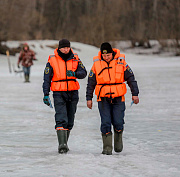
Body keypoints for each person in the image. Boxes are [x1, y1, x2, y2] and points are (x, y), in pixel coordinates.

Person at [86, 42, 139, 155]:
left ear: (112, 53)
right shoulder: (96, 64)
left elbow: (131, 78)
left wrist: (135, 93)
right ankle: (107, 148)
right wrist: (88, 98)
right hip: (103, 99)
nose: (106, 57)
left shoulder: (121, 62)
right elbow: (91, 82)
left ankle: (118, 142)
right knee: (105, 122)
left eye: (108, 55)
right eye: (104, 56)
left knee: (118, 122)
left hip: (118, 98)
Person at [42, 39, 87, 153]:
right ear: (59, 48)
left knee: (70, 120)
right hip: (58, 92)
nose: (66, 50)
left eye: (67, 48)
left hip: (73, 92)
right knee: (61, 118)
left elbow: (84, 73)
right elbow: (46, 78)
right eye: (63, 48)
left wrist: (75, 74)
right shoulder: (52, 60)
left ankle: (65, 143)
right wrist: (46, 94)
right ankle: (62, 145)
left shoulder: (75, 58)